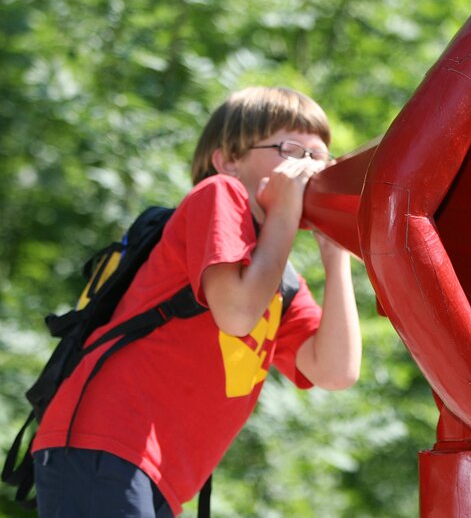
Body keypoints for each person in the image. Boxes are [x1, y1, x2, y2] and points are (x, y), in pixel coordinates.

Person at [31, 86, 362, 516]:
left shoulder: (278, 278)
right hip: (107, 442)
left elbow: (335, 371)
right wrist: (283, 213)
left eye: (320, 157)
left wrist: (336, 255)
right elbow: (238, 314)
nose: (309, 169)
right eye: (291, 150)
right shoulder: (219, 193)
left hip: (153, 474)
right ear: (227, 160)